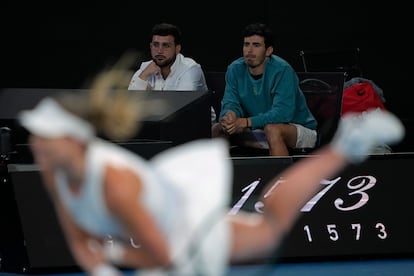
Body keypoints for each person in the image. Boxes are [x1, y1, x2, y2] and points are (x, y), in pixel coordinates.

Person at [18, 63, 405, 276]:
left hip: (189, 230)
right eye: (35, 138)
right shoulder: (57, 172)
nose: (36, 145)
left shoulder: (115, 183)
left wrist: (113, 258)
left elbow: (159, 255)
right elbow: (81, 242)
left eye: (44, 139)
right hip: (166, 237)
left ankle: (349, 146)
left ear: (72, 143)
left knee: (269, 228)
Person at [211, 22, 317, 156]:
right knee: (217, 129)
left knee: (272, 129)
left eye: (256, 45)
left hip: (297, 129)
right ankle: (220, 176)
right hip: (258, 129)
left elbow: (283, 114)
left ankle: (281, 177)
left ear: (268, 51)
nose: (249, 50)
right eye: (246, 44)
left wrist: (246, 122)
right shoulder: (235, 69)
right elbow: (230, 102)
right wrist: (229, 117)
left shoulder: (282, 70)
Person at [128, 22, 216, 122]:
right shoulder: (146, 69)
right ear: (151, 46)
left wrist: (147, 105)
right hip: (159, 128)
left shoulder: (190, 69)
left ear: (177, 49)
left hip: (198, 128)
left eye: (166, 45)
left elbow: (180, 109)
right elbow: (129, 107)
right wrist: (143, 76)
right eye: (156, 45)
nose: (159, 51)